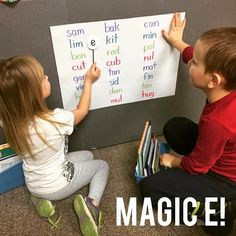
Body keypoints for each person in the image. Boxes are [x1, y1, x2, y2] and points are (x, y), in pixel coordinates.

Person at [139, 13, 236, 234]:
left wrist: (173, 161)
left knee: (149, 188)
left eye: (195, 62)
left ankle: (217, 212)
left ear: (213, 80)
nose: (190, 61)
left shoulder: (217, 122)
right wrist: (177, 43)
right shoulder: (228, 85)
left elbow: (197, 166)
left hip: (224, 180)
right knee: (174, 127)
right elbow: (195, 54)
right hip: (221, 151)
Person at [0, 55, 109, 236]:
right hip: (57, 185)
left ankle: (39, 199)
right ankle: (92, 205)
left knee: (88, 156)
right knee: (101, 165)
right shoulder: (55, 120)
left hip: (33, 182)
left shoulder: (9, 122)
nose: (47, 77)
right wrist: (88, 81)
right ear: (33, 93)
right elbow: (82, 110)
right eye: (43, 77)